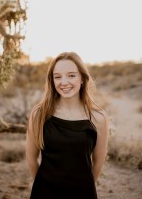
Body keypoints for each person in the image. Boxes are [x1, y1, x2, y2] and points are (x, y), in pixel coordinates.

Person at [26, 51, 109, 199]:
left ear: (82, 78)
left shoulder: (98, 117)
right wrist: (43, 187)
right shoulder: (39, 114)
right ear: (52, 80)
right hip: (45, 192)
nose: (64, 82)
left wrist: (83, 187)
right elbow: (31, 158)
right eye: (57, 77)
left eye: (71, 75)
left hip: (83, 192)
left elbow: (98, 163)